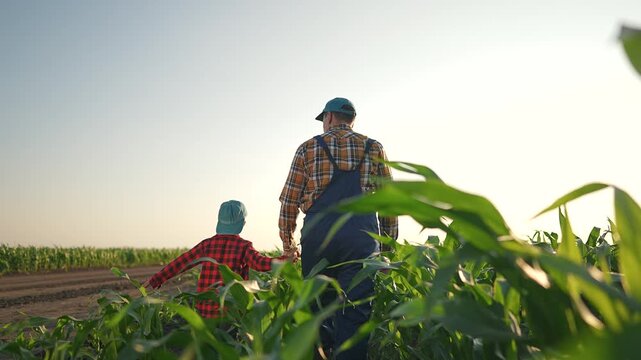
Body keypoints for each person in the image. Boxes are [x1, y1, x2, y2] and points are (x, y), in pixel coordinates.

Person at [279, 97, 398, 359]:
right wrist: (387, 249)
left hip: (318, 237)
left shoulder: (307, 148)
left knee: (317, 310)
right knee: (355, 312)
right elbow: (389, 203)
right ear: (351, 120)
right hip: (361, 238)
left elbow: (289, 201)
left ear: (329, 117)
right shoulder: (374, 147)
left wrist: (289, 244)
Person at [144, 200, 288, 318]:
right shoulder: (243, 246)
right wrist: (286, 259)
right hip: (231, 311)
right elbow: (261, 263)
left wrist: (156, 279)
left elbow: (181, 263)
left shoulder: (207, 245)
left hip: (205, 310)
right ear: (242, 223)